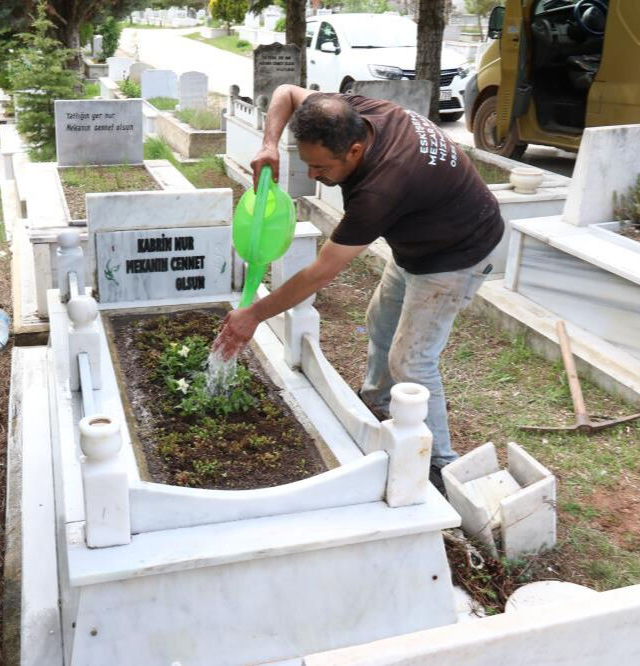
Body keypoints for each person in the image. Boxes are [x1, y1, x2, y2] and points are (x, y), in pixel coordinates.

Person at [213, 84, 503, 493]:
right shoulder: (354, 112)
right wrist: (270, 144)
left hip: (458, 251)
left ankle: (438, 466)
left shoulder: (381, 188)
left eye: (321, 168)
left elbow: (320, 272)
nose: (312, 175)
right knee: (380, 324)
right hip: (421, 234)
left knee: (412, 360)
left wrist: (253, 316)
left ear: (353, 151)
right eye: (307, 163)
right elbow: (285, 92)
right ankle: (381, 405)